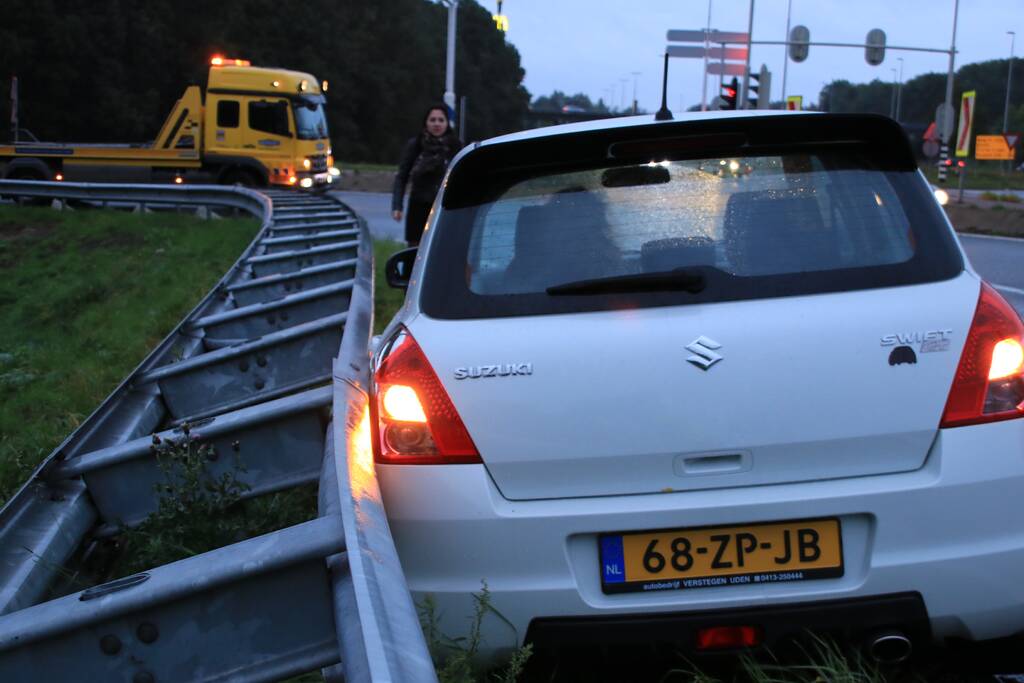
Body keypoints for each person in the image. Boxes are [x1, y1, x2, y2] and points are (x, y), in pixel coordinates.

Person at [391, 105, 463, 245]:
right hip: (418, 204)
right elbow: (402, 176)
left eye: (441, 120)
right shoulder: (416, 145)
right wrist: (397, 206)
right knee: (415, 249)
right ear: (426, 122)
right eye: (433, 120)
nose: (437, 123)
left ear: (447, 123)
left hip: (445, 206)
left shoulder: (455, 145)